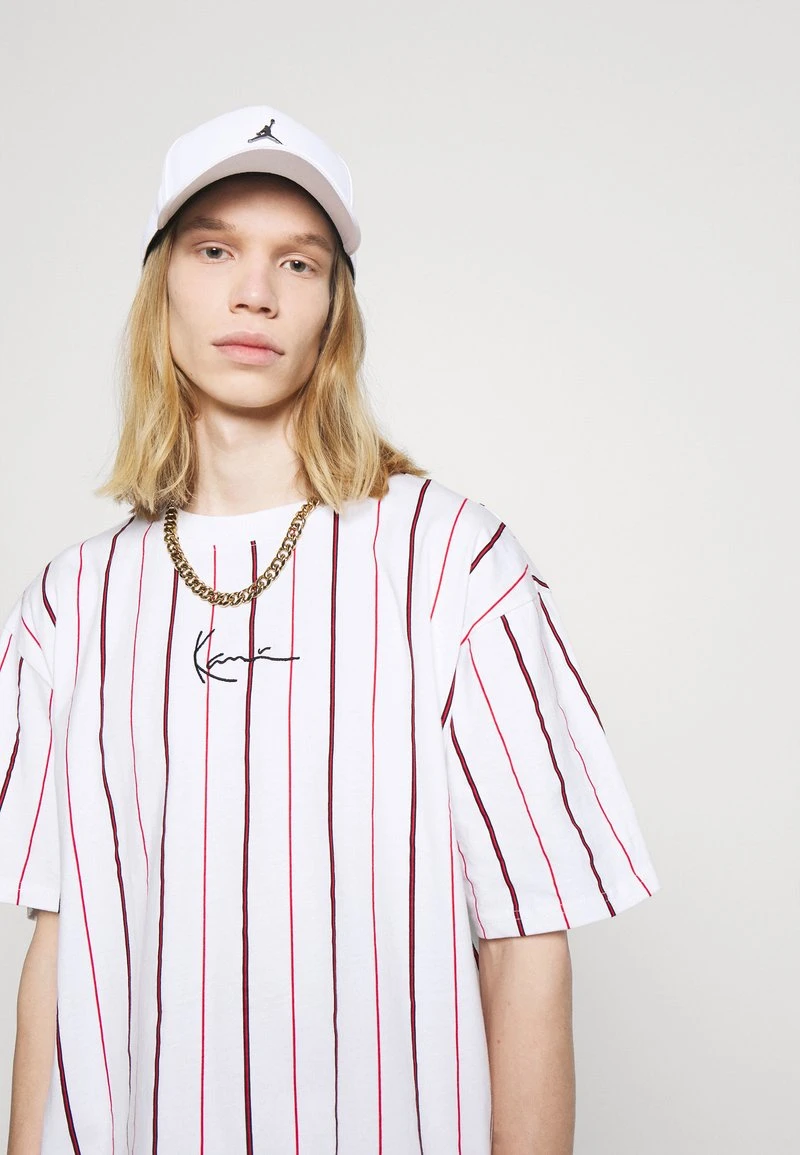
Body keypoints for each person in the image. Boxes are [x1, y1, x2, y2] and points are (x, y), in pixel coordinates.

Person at [0, 105, 660, 1154]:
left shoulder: (456, 566)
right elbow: (57, 942)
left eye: (297, 262)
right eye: (215, 250)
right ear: (162, 285)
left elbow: (527, 943)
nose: (253, 292)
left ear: (332, 312)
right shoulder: (67, 605)